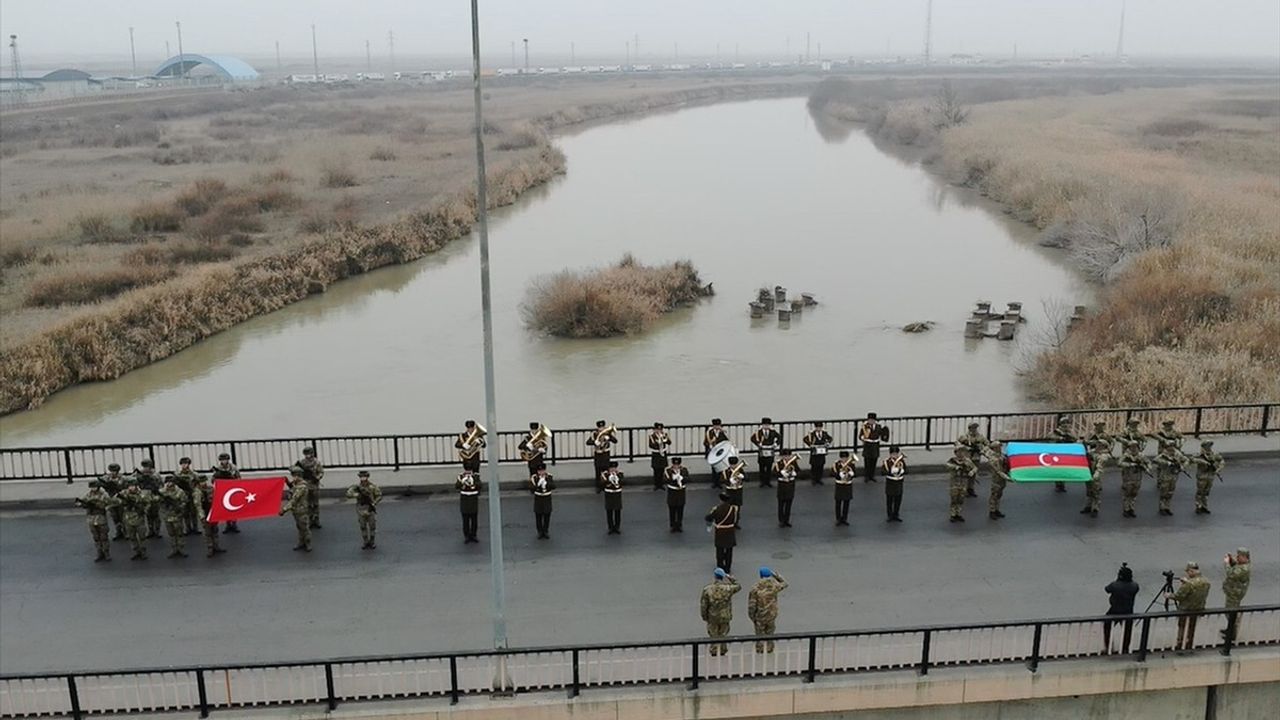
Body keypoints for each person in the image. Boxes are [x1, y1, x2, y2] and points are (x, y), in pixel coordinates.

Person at [1167, 562, 1211, 652]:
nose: (1187, 574)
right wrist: (1187, 582)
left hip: (1186, 609)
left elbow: (1179, 596)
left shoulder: (1189, 584)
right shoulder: (1206, 581)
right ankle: (1189, 642)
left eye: (1188, 572)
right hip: (1198, 608)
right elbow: (1196, 589)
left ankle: (1180, 643)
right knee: (1192, 626)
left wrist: (1168, 595)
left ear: (1191, 571)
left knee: (1182, 626)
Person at [700, 568, 741, 656]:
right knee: (723, 634)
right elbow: (738, 586)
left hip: (712, 616)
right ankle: (722, 650)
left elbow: (704, 605)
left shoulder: (707, 589)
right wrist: (731, 578)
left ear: (715, 576)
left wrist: (704, 616)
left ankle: (714, 651)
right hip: (724, 615)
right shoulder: (728, 588)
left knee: (713, 635)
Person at [74, 481, 118, 562]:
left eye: (94, 487)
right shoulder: (88, 495)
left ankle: (106, 553)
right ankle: (99, 553)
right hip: (91, 518)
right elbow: (83, 502)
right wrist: (82, 504)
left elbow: (110, 503)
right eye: (91, 487)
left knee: (103, 537)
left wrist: (103, 507)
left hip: (101, 518)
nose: (93, 488)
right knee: (96, 538)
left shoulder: (103, 495)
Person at [748, 567, 789, 653]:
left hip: (760, 616)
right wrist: (776, 575)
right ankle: (770, 649)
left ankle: (760, 651)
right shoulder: (774, 586)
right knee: (770, 633)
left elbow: (752, 605)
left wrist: (752, 617)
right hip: (771, 614)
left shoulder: (755, 588)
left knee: (760, 635)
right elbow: (785, 583)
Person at [1103, 564, 1140, 653]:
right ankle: (1125, 648)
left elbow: (1107, 589)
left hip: (1114, 610)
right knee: (1127, 630)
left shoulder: (1115, 585)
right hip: (1128, 610)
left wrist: (1117, 580)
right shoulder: (1134, 586)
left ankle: (1108, 647)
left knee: (1107, 626)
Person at [190, 474, 226, 557]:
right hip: (205, 514)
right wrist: (202, 516)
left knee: (215, 530)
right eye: (201, 482)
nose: (203, 483)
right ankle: (210, 548)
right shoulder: (197, 492)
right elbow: (198, 505)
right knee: (208, 533)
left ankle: (216, 546)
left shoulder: (210, 489)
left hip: (212, 512)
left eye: (204, 481)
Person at [345, 470, 382, 549]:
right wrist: (357, 495)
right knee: (363, 526)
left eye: (364, 477)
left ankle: (372, 542)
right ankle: (365, 542)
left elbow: (379, 495)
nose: (363, 478)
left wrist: (374, 503)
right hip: (361, 508)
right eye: (361, 477)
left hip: (370, 508)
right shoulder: (357, 487)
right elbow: (348, 494)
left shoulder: (372, 486)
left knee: (372, 526)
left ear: (367, 477)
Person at [291, 447, 325, 530]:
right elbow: (295, 471)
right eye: (306, 454)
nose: (308, 456)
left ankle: (316, 520)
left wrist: (317, 478)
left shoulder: (316, 462)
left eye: (309, 453)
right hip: (305, 485)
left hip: (314, 485)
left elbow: (321, 472)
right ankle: (309, 520)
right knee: (307, 504)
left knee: (315, 504)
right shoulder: (302, 463)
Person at [117, 483, 153, 560]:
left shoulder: (141, 494)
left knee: (142, 536)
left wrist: (144, 510)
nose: (131, 488)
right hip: (128, 518)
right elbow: (116, 501)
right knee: (132, 537)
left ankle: (143, 552)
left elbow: (148, 503)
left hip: (139, 518)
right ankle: (136, 551)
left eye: (133, 486)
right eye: (130, 486)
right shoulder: (124, 494)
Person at [1222, 548, 1251, 641]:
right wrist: (1231, 560)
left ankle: (1232, 634)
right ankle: (1230, 629)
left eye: (1239, 556)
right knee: (1229, 611)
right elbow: (1236, 566)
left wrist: (1226, 563)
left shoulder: (1244, 568)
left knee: (1230, 612)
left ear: (1244, 557)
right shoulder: (1242, 565)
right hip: (1232, 592)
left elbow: (1231, 574)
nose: (1237, 557)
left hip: (1235, 594)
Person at [157, 476, 190, 558]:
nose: (169, 484)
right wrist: (162, 502)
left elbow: (185, 501)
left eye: (170, 482)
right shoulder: (162, 492)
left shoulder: (179, 491)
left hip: (177, 516)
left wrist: (179, 508)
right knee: (171, 534)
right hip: (167, 516)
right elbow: (156, 500)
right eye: (167, 482)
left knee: (179, 533)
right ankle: (174, 549)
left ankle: (181, 549)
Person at [280, 470, 312, 552]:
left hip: (301, 510)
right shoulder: (296, 484)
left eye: (294, 476)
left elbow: (294, 499)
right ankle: (301, 542)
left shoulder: (302, 487)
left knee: (304, 527)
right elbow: (291, 492)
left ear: (298, 476)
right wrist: (288, 483)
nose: (293, 478)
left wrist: (284, 509)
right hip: (296, 510)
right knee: (299, 527)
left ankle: (308, 543)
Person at [705, 493, 739, 573]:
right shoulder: (733, 509)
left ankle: (720, 566)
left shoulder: (717, 509)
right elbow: (735, 520)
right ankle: (728, 567)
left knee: (720, 550)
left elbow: (709, 517)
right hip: (730, 531)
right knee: (729, 550)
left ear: (721, 500)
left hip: (720, 531)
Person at [131, 459, 164, 538]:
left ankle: (157, 531)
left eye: (147, 466)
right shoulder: (139, 474)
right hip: (144, 495)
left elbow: (160, 484)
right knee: (148, 514)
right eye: (144, 466)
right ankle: (150, 530)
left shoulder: (155, 474)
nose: (146, 468)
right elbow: (132, 481)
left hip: (154, 495)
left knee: (155, 514)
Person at [170, 457, 204, 536]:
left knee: (193, 512)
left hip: (192, 493)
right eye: (183, 464)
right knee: (185, 512)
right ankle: (188, 528)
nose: (184, 465)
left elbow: (199, 483)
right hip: (183, 495)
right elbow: (174, 484)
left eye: (186, 464)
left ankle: (195, 528)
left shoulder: (194, 474)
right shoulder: (177, 474)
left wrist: (197, 492)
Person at [1190, 440, 1224, 515]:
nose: (1208, 447)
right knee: (1200, 491)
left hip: (1211, 476)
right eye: (1207, 446)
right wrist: (1202, 461)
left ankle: (1204, 506)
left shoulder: (1215, 454)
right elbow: (1191, 459)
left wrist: (1218, 469)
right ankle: (1198, 506)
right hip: (1202, 476)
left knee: (1206, 492)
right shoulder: (1200, 454)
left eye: (1209, 446)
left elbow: (1222, 461)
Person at [955, 423, 989, 498]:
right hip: (967, 457)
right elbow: (957, 443)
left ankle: (971, 489)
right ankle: (963, 490)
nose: (974, 430)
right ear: (969, 428)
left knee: (973, 474)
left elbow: (987, 444)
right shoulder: (965, 437)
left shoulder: (980, 437)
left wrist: (982, 450)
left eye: (975, 428)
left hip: (976, 457)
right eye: (972, 428)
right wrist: (966, 447)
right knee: (965, 474)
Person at [211, 453, 242, 534]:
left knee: (234, 507)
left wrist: (234, 481)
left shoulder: (233, 468)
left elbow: (239, 478)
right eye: (222, 460)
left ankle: (234, 524)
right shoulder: (217, 468)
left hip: (232, 488)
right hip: (223, 490)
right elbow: (213, 480)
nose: (224, 461)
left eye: (225, 460)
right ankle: (228, 524)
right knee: (226, 507)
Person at [1118, 441, 1150, 518]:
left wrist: (1147, 468)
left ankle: (1131, 509)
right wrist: (1130, 464)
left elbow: (1148, 462)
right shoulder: (1126, 456)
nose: (1134, 448)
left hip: (1137, 478)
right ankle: (1126, 509)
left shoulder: (1140, 455)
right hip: (1128, 478)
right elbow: (1119, 463)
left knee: (1134, 494)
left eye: (1135, 446)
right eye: (1132, 446)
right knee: (1127, 494)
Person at [97, 463, 128, 540]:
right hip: (111, 500)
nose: (113, 473)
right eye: (111, 471)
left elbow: (127, 487)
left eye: (114, 471)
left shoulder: (123, 478)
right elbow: (99, 485)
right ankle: (118, 531)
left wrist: (121, 491)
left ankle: (126, 532)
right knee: (114, 517)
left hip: (120, 499)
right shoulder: (106, 478)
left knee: (122, 516)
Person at [1153, 444, 1186, 516]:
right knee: (1163, 493)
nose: (1171, 448)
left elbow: (1185, 459)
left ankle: (1167, 507)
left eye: (1173, 446)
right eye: (1170, 446)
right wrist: (1167, 463)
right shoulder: (1164, 454)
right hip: (1165, 477)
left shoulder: (1177, 453)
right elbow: (1155, 460)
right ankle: (1162, 508)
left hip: (1174, 476)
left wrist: (1182, 466)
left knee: (1170, 493)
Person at [946, 446, 976, 523]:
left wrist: (971, 472)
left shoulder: (967, 461)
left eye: (962, 451)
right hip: (955, 483)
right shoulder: (952, 460)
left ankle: (958, 513)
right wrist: (956, 467)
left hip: (963, 482)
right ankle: (953, 514)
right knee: (954, 498)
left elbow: (975, 468)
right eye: (959, 451)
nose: (961, 453)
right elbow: (947, 465)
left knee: (961, 498)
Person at [772, 450, 800, 528]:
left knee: (789, 504)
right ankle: (781, 520)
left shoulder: (793, 462)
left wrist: (795, 473)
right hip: (782, 485)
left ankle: (787, 520)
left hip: (790, 485)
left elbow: (798, 470)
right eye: (785, 456)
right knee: (781, 504)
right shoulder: (778, 463)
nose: (787, 457)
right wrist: (781, 473)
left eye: (789, 456)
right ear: (782, 456)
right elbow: (774, 473)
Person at [750, 418, 781, 487]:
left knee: (769, 467)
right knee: (762, 467)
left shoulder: (773, 432)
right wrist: (758, 444)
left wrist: (775, 444)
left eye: (768, 425)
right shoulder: (758, 432)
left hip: (770, 450)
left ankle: (768, 481)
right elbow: (752, 438)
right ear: (762, 425)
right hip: (762, 450)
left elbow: (779, 437)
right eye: (765, 425)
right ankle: (762, 481)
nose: (766, 426)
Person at [1050, 417, 1077, 493]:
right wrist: (1060, 437)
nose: (1065, 425)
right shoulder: (1057, 431)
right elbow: (1050, 436)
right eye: (1063, 423)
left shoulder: (1071, 431)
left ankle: (1062, 484)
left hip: (1066, 452)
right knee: (1057, 469)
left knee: (1064, 469)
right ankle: (1058, 485)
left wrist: (1068, 434)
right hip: (1058, 452)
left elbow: (1075, 438)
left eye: (1067, 423)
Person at [456, 468, 482, 543]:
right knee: (465, 520)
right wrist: (462, 482)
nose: (468, 473)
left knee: (474, 520)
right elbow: (457, 486)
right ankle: (466, 535)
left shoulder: (475, 477)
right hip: (465, 501)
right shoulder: (461, 477)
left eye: (469, 471)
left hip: (473, 501)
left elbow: (479, 485)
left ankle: (473, 535)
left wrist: (473, 482)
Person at [529, 463, 555, 539]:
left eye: (542, 470)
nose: (541, 472)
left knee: (547, 515)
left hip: (547, 498)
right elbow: (531, 488)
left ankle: (546, 531)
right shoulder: (534, 477)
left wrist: (547, 484)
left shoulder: (549, 476)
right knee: (538, 515)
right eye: (539, 471)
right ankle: (540, 531)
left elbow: (554, 486)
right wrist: (538, 485)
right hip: (538, 498)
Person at [986, 441, 1010, 520]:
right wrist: (1007, 477)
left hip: (1002, 479)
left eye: (1000, 446)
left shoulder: (1002, 456)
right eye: (998, 446)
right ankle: (992, 511)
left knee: (999, 495)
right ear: (994, 448)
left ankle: (997, 510)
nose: (1000, 448)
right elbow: (998, 471)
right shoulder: (993, 459)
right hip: (996, 479)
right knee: (994, 495)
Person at [803, 421, 832, 485]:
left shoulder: (824, 433)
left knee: (821, 465)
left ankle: (819, 479)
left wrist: (827, 443)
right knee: (814, 466)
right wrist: (810, 444)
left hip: (821, 451)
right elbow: (805, 439)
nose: (818, 429)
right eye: (817, 427)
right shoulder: (812, 434)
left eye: (820, 427)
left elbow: (830, 438)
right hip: (814, 452)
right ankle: (814, 479)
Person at [883, 445, 906, 522]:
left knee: (898, 500)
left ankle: (896, 514)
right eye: (893, 454)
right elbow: (883, 472)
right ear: (890, 454)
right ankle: (890, 515)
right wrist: (891, 471)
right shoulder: (887, 462)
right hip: (890, 483)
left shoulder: (901, 461)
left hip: (899, 482)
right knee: (889, 500)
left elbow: (906, 470)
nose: (895, 455)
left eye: (896, 454)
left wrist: (902, 471)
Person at [832, 450, 856, 526]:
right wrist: (839, 475)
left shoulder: (851, 464)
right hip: (840, 485)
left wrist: (851, 474)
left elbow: (854, 473)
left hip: (848, 484)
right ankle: (838, 518)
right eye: (843, 458)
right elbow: (832, 473)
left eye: (846, 458)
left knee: (846, 502)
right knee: (838, 503)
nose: (844, 459)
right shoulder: (837, 464)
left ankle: (845, 518)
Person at [859, 413, 884, 483]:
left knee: (874, 460)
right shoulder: (865, 427)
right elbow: (860, 435)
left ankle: (872, 476)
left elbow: (881, 434)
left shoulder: (878, 426)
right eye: (870, 420)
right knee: (867, 461)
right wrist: (863, 438)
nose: (871, 421)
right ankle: (866, 476)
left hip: (875, 445)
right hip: (868, 445)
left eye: (873, 420)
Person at [600, 460, 624, 534]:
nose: (613, 470)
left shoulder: (619, 474)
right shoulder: (605, 475)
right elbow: (602, 483)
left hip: (617, 494)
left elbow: (622, 482)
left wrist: (616, 477)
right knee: (609, 511)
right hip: (609, 494)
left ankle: (617, 527)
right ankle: (610, 527)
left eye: (614, 468)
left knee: (617, 511)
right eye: (611, 468)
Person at [664, 457, 687, 532]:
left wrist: (682, 478)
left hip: (681, 492)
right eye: (674, 464)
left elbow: (688, 479)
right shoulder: (668, 471)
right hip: (672, 493)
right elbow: (664, 480)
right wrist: (673, 478)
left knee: (680, 509)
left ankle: (679, 524)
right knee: (672, 510)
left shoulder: (684, 470)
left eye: (677, 464)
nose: (676, 466)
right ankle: (673, 525)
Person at [704, 419, 729, 487]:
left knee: (720, 467)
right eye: (716, 425)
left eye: (718, 425)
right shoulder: (709, 432)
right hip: (712, 451)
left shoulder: (721, 432)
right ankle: (714, 482)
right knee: (714, 467)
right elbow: (706, 442)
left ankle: (719, 482)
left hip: (720, 451)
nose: (717, 427)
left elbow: (726, 441)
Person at [648, 422, 671, 490]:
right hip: (656, 454)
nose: (659, 431)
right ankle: (656, 484)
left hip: (663, 453)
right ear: (654, 430)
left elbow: (669, 442)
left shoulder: (664, 435)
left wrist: (664, 439)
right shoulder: (652, 436)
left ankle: (661, 484)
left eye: (660, 430)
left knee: (662, 469)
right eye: (657, 430)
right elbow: (651, 445)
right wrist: (657, 442)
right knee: (656, 470)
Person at [1080, 453, 1104, 518]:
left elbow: (1100, 467)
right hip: (1089, 473)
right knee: (1089, 491)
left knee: (1096, 492)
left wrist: (1096, 475)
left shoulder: (1102, 455)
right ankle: (1088, 506)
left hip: (1095, 476)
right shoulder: (1092, 452)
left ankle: (1095, 509)